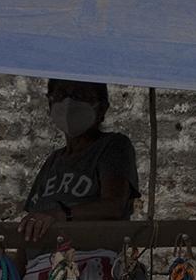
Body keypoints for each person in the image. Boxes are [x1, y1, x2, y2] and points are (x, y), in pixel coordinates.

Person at [17, 80, 141, 241]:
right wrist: (20, 264)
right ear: (50, 104)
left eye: (80, 95)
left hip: (87, 256)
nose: (69, 103)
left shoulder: (112, 146)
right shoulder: (53, 160)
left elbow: (113, 206)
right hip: (40, 259)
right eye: (61, 95)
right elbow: (32, 220)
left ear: (102, 108)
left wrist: (61, 215)